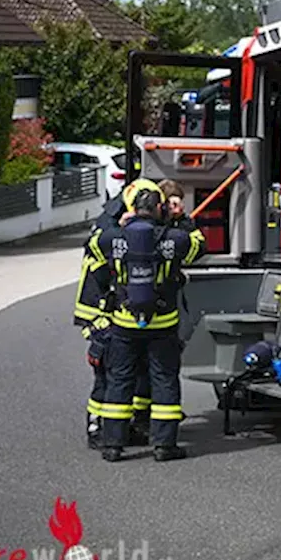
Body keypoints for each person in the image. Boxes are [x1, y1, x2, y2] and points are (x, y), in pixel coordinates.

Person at [89, 182, 204, 462]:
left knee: (119, 381)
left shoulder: (114, 238)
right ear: (160, 208)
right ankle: (164, 446)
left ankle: (112, 445)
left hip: (124, 323)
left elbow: (94, 245)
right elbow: (199, 245)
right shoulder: (174, 238)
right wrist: (180, 219)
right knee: (164, 380)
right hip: (163, 324)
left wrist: (120, 224)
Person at [74, 178, 163, 450]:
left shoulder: (117, 230)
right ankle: (97, 427)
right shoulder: (109, 236)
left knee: (133, 376)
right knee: (107, 377)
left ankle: (127, 427)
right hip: (103, 318)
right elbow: (94, 283)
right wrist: (96, 325)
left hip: (118, 319)